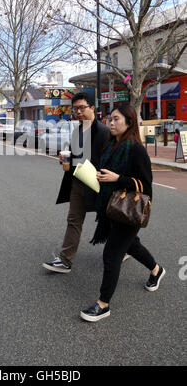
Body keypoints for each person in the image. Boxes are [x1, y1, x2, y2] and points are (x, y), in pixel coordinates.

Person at [80, 105, 165, 322]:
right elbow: (104, 171)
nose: (111, 122)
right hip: (111, 207)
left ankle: (103, 304)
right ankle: (156, 270)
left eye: (116, 119)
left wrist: (118, 179)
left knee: (111, 254)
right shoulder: (111, 144)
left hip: (129, 210)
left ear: (129, 122)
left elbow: (146, 185)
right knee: (131, 245)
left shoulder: (136, 149)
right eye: (110, 118)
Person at [42, 92, 110, 273]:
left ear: (92, 108)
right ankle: (65, 260)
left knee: (112, 219)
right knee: (73, 220)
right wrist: (66, 159)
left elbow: (107, 159)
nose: (78, 112)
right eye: (75, 109)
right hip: (78, 182)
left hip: (98, 184)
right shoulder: (78, 129)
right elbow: (76, 155)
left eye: (82, 108)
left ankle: (128, 247)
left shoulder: (103, 132)